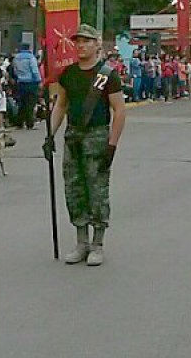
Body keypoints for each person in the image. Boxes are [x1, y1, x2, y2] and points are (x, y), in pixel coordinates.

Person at [46, 24, 126, 267]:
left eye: (86, 41)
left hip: (97, 136)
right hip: (73, 138)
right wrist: (50, 135)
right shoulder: (68, 74)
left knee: (97, 191)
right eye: (78, 42)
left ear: (96, 44)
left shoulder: (107, 75)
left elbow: (119, 110)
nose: (81, 46)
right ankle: (81, 242)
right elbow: (61, 105)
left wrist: (112, 146)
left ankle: (97, 244)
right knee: (74, 189)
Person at [11, 43, 42, 130]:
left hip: (21, 82)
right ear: (29, 48)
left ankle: (19, 122)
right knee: (30, 104)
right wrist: (39, 80)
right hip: (31, 83)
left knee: (22, 103)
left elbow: (15, 70)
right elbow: (34, 70)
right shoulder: (31, 57)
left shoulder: (16, 58)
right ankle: (29, 123)